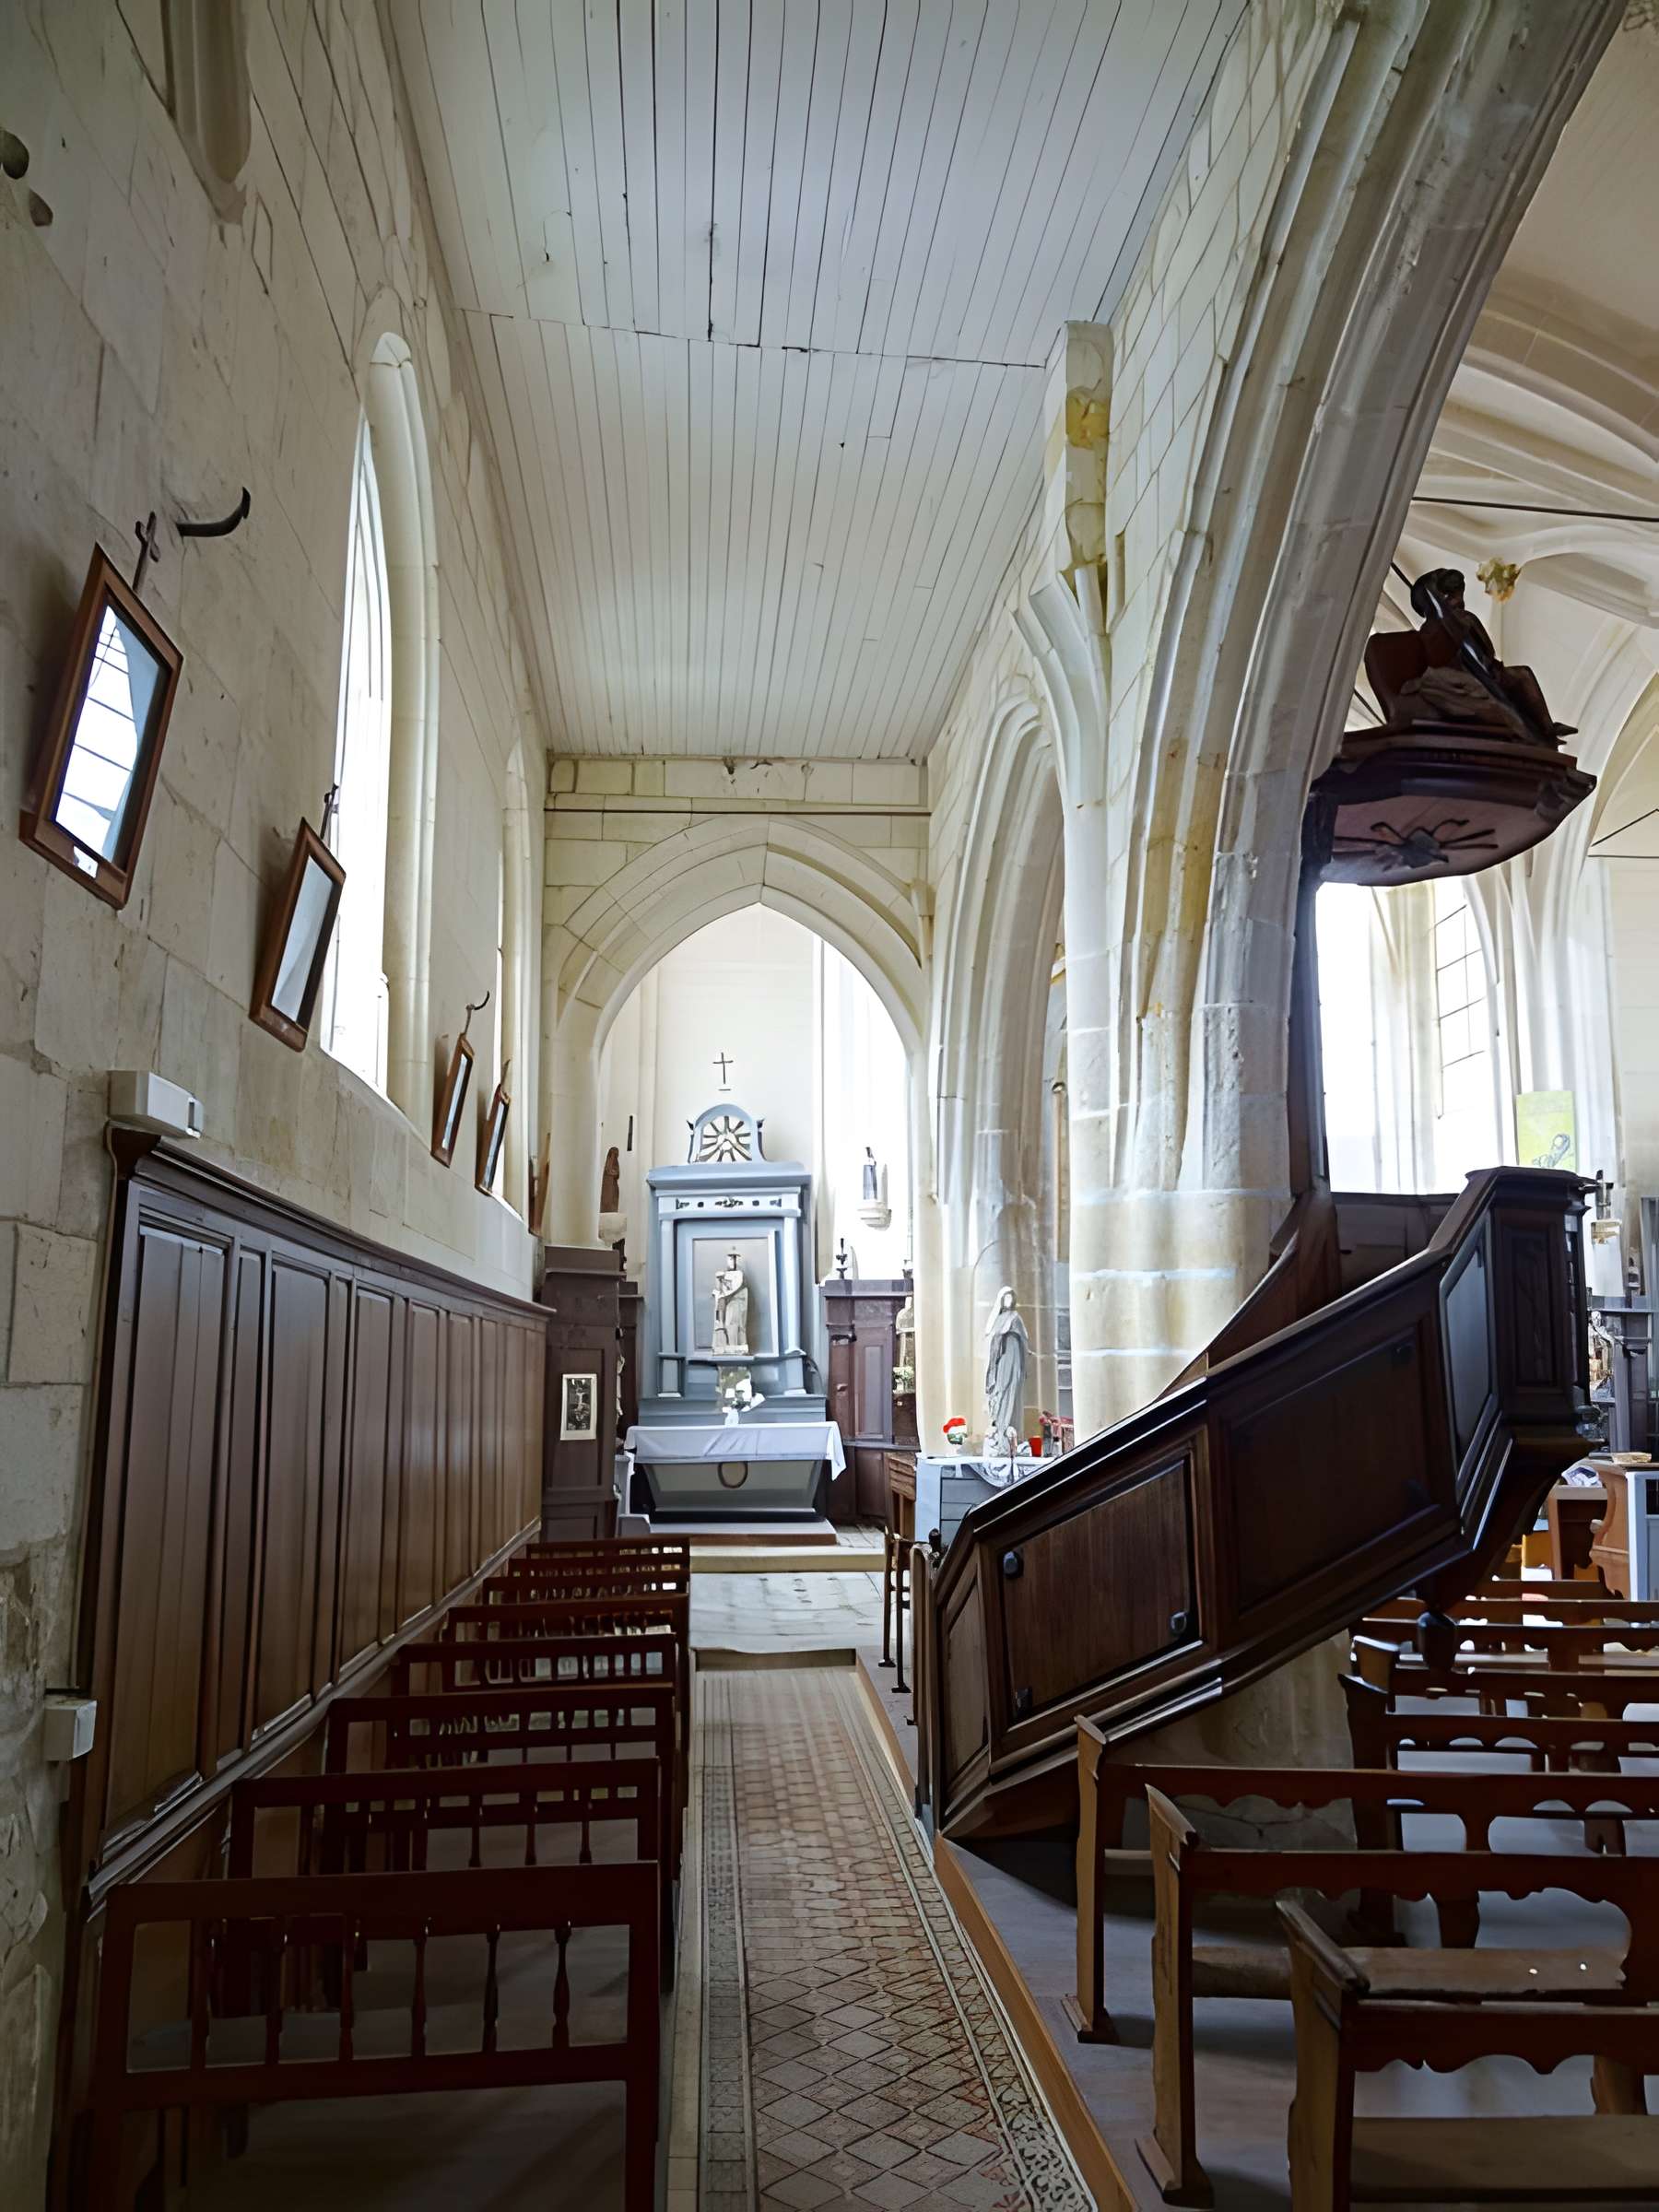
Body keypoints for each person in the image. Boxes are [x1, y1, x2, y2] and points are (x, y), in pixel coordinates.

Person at [1398, 568, 1572, 745]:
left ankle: (1548, 727)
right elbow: (1438, 657)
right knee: (1500, 702)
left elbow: (1487, 649)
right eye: (1451, 598)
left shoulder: (1467, 618)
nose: (1459, 602)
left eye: (1459, 597)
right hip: (1461, 674)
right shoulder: (1430, 630)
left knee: (1523, 674)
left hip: (1489, 670)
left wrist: (1489, 664)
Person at [983, 1286, 1030, 1455]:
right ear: (1002, 1300)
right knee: (1000, 1393)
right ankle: (1000, 1433)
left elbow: (1024, 1340)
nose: (1009, 1301)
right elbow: (991, 1338)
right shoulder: (998, 1319)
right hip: (1002, 1362)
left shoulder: (1015, 1318)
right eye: (1006, 1297)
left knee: (1011, 1394)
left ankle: (1009, 1437)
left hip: (1013, 1361)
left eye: (1011, 1297)